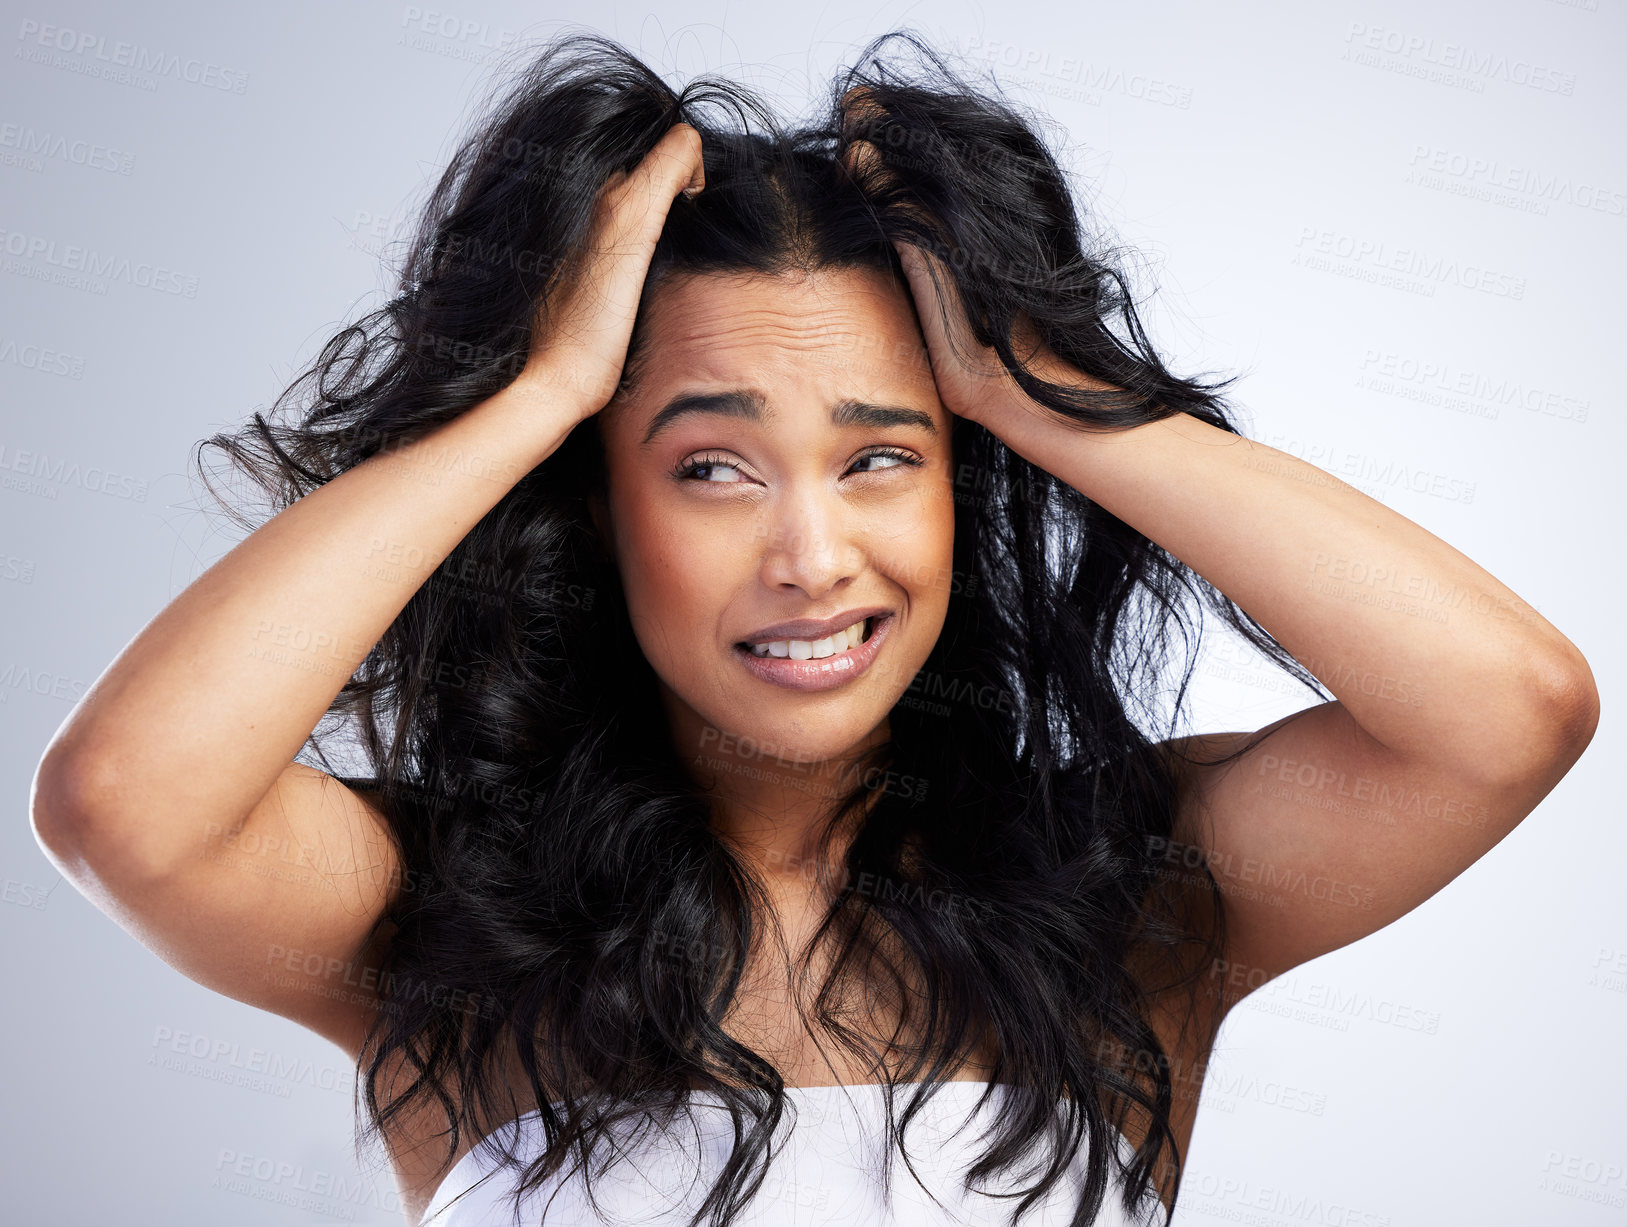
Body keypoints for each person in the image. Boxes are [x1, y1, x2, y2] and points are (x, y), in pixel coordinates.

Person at [29, 28, 1599, 1227]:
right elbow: (122, 805)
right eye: (711, 466)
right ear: (594, 504)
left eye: (881, 458)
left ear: (963, 486)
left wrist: (1032, 390)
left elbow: (1507, 706)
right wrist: (535, 395)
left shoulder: (1140, 892)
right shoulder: (431, 920)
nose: (809, 554)